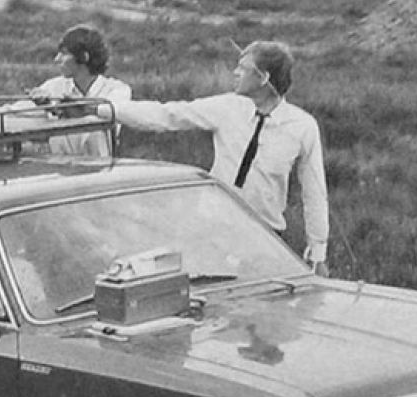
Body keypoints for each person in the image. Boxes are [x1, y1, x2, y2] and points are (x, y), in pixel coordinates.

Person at [100, 41, 329, 275]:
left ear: (263, 77)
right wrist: (104, 110)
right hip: (213, 232)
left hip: (264, 239)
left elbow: (315, 193)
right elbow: (167, 114)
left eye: (243, 68)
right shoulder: (227, 107)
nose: (235, 73)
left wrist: (318, 254)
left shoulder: (303, 127)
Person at [30, 24, 132, 157]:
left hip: (101, 169)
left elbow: (107, 113)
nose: (57, 59)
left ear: (84, 57)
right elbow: (18, 109)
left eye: (64, 53)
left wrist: (65, 110)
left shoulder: (117, 90)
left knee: (94, 128)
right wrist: (39, 102)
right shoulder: (54, 86)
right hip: (61, 167)